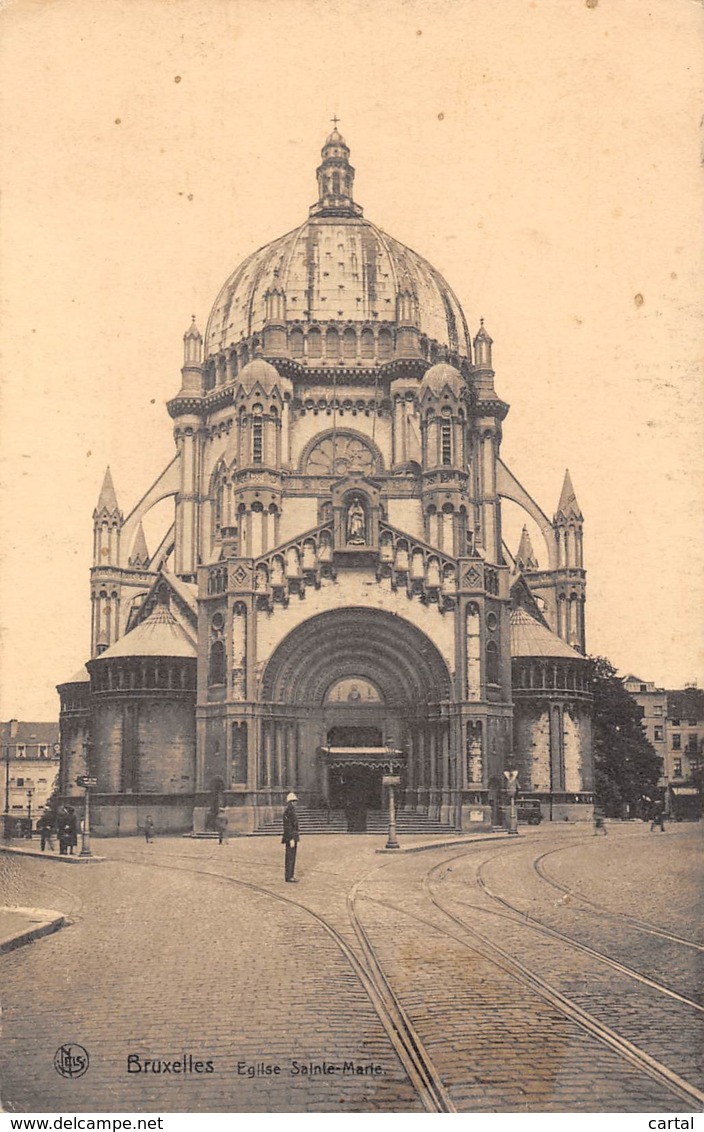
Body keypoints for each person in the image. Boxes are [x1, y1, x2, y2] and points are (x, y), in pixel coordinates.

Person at [282, 792, 300, 882]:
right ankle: (289, 876)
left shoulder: (291, 811)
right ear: (291, 802)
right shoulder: (289, 811)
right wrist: (291, 838)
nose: (296, 803)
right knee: (290, 857)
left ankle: (289, 875)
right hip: (290, 837)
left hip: (292, 836)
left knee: (291, 856)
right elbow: (288, 826)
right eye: (294, 801)